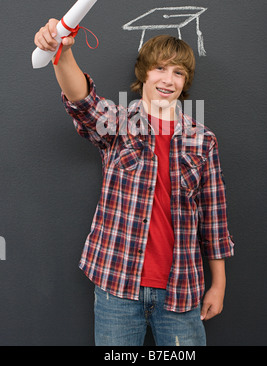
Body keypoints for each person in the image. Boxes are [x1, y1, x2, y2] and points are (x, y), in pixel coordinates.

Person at [34, 19, 234, 346]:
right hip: (117, 285)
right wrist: (62, 51)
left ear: (186, 82)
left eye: (178, 72)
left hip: (180, 290)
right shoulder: (118, 124)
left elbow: (214, 220)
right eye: (159, 68)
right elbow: (83, 102)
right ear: (144, 74)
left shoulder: (204, 141)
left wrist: (219, 285)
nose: (168, 79)